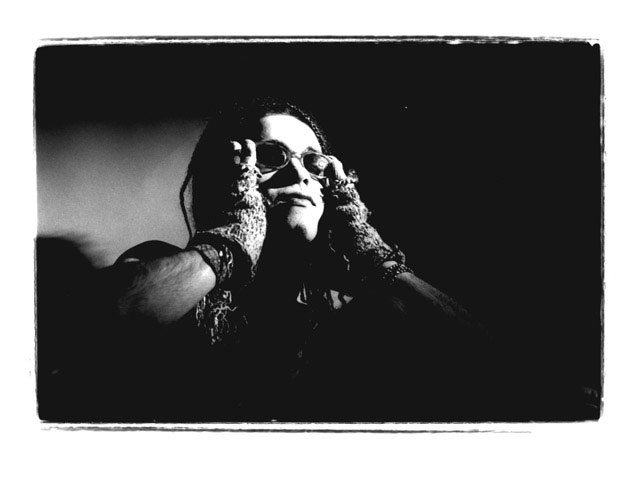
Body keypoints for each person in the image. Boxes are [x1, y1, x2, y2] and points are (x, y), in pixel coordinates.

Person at [90, 98, 494, 422]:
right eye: (271, 155)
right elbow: (92, 328)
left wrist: (372, 256)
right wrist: (233, 239)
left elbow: (487, 362)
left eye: (315, 163)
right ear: (227, 174)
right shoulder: (164, 267)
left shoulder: (347, 313)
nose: (300, 174)